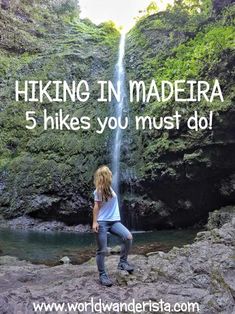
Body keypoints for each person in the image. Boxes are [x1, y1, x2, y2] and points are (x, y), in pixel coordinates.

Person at [92, 165, 134, 287]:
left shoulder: (110, 189)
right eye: (109, 173)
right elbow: (96, 207)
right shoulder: (98, 191)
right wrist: (95, 222)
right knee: (102, 250)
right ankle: (103, 275)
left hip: (114, 221)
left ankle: (123, 262)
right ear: (105, 176)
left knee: (128, 237)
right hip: (102, 222)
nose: (111, 174)